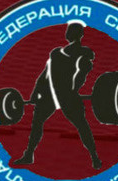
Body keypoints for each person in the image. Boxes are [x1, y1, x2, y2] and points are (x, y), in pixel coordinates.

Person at [23, 23, 102, 170]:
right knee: (37, 122)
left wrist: (73, 91)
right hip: (51, 94)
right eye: (67, 30)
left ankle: (95, 157)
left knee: (81, 125)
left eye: (69, 31)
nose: (66, 33)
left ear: (76, 34)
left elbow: (82, 74)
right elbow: (46, 73)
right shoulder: (56, 52)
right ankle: (28, 155)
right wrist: (36, 92)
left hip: (67, 95)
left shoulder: (83, 53)